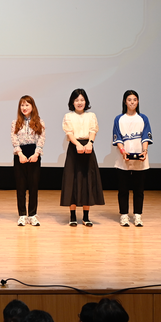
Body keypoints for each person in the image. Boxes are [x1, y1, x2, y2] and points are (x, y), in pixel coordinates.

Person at [60, 88, 105, 226]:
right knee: (72, 181)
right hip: (74, 148)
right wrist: (78, 145)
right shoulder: (68, 116)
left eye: (82, 100)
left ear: (86, 101)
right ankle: (73, 216)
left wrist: (90, 143)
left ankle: (86, 217)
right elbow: (69, 133)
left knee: (88, 180)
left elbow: (93, 130)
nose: (79, 102)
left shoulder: (91, 116)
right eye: (76, 100)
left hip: (88, 148)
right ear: (72, 102)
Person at [112, 90, 153, 227]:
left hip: (140, 159)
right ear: (125, 102)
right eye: (129, 100)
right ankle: (124, 215)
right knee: (123, 189)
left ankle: (137, 216)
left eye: (135, 100)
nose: (132, 102)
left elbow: (146, 136)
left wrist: (144, 151)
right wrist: (123, 151)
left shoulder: (143, 118)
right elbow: (117, 138)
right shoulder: (119, 119)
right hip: (123, 160)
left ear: (138, 101)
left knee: (139, 190)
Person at [10, 95, 45, 227]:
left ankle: (32, 215)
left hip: (34, 154)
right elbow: (14, 139)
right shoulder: (15, 123)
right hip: (20, 155)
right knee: (21, 187)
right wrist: (20, 154)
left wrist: (36, 153)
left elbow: (41, 139)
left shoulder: (40, 122)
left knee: (33, 186)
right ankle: (22, 215)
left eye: (27, 105)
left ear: (32, 107)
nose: (24, 108)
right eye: (22, 105)